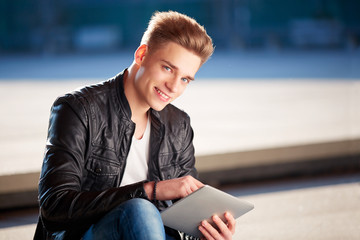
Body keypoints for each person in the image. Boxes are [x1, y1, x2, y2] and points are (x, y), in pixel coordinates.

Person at [34, 11, 236, 240]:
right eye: (168, 68)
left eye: (185, 79)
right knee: (140, 209)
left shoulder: (178, 125)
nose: (173, 87)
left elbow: (183, 216)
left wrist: (206, 233)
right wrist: (150, 190)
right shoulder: (78, 109)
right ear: (141, 55)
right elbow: (54, 207)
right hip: (84, 235)